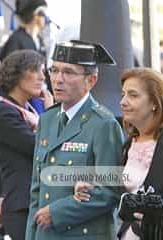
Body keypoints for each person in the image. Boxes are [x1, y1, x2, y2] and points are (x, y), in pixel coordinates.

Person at [75, 68, 163, 240]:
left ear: (155, 102)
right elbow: (127, 193)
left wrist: (160, 224)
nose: (123, 102)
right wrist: (94, 188)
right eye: (123, 94)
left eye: (133, 95)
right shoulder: (130, 143)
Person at [25, 40, 124, 240]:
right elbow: (37, 190)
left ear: (91, 80)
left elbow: (110, 191)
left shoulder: (103, 124)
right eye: (54, 70)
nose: (58, 79)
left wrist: (57, 212)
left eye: (68, 72)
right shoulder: (47, 119)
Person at [0, 49, 53, 239]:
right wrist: (50, 114)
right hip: (22, 205)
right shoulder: (4, 113)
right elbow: (41, 150)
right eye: (35, 70)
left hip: (37, 200)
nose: (43, 77)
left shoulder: (29, 110)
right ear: (16, 74)